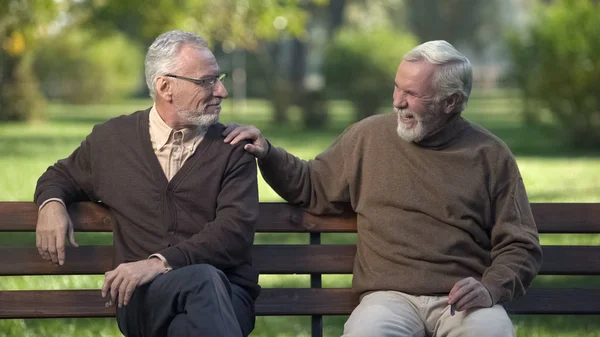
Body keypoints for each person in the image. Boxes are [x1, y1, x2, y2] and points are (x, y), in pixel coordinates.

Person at [223, 40, 543, 337]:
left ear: (452, 102)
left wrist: (490, 288)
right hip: (387, 299)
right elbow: (312, 185)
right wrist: (267, 152)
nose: (397, 101)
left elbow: (520, 244)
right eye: (396, 87)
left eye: (413, 94)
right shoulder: (368, 137)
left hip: (463, 298)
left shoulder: (490, 155)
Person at [34, 30, 260, 337]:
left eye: (218, 78)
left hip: (227, 296)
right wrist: (51, 204)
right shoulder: (112, 141)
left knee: (191, 313)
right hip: (144, 299)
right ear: (165, 86)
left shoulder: (233, 148)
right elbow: (59, 176)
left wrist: (159, 263)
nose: (221, 91)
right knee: (202, 282)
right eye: (207, 81)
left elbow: (234, 232)